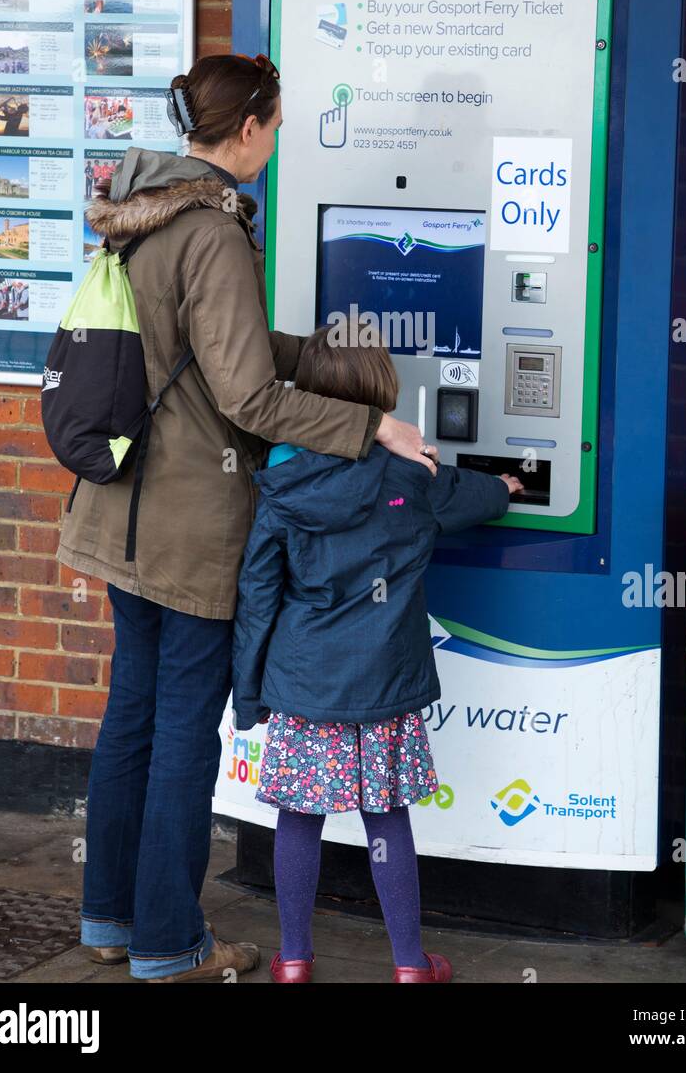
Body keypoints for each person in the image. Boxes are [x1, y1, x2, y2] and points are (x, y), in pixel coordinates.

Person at [56, 53, 438, 984]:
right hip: (188, 529)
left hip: (120, 512)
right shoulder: (216, 230)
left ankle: (109, 919)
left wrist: (322, 353)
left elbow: (210, 344)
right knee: (186, 727)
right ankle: (168, 944)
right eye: (276, 121)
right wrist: (370, 422)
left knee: (132, 717)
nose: (278, 136)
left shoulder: (144, 212)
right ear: (251, 126)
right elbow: (249, 398)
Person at [232, 324, 524, 984]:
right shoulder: (411, 475)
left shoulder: (281, 482)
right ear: (381, 396)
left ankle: (295, 959)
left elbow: (256, 596)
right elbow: (469, 498)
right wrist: (505, 487)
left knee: (299, 816)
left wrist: (248, 696)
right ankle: (410, 964)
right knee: (385, 813)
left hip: (306, 681)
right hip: (385, 675)